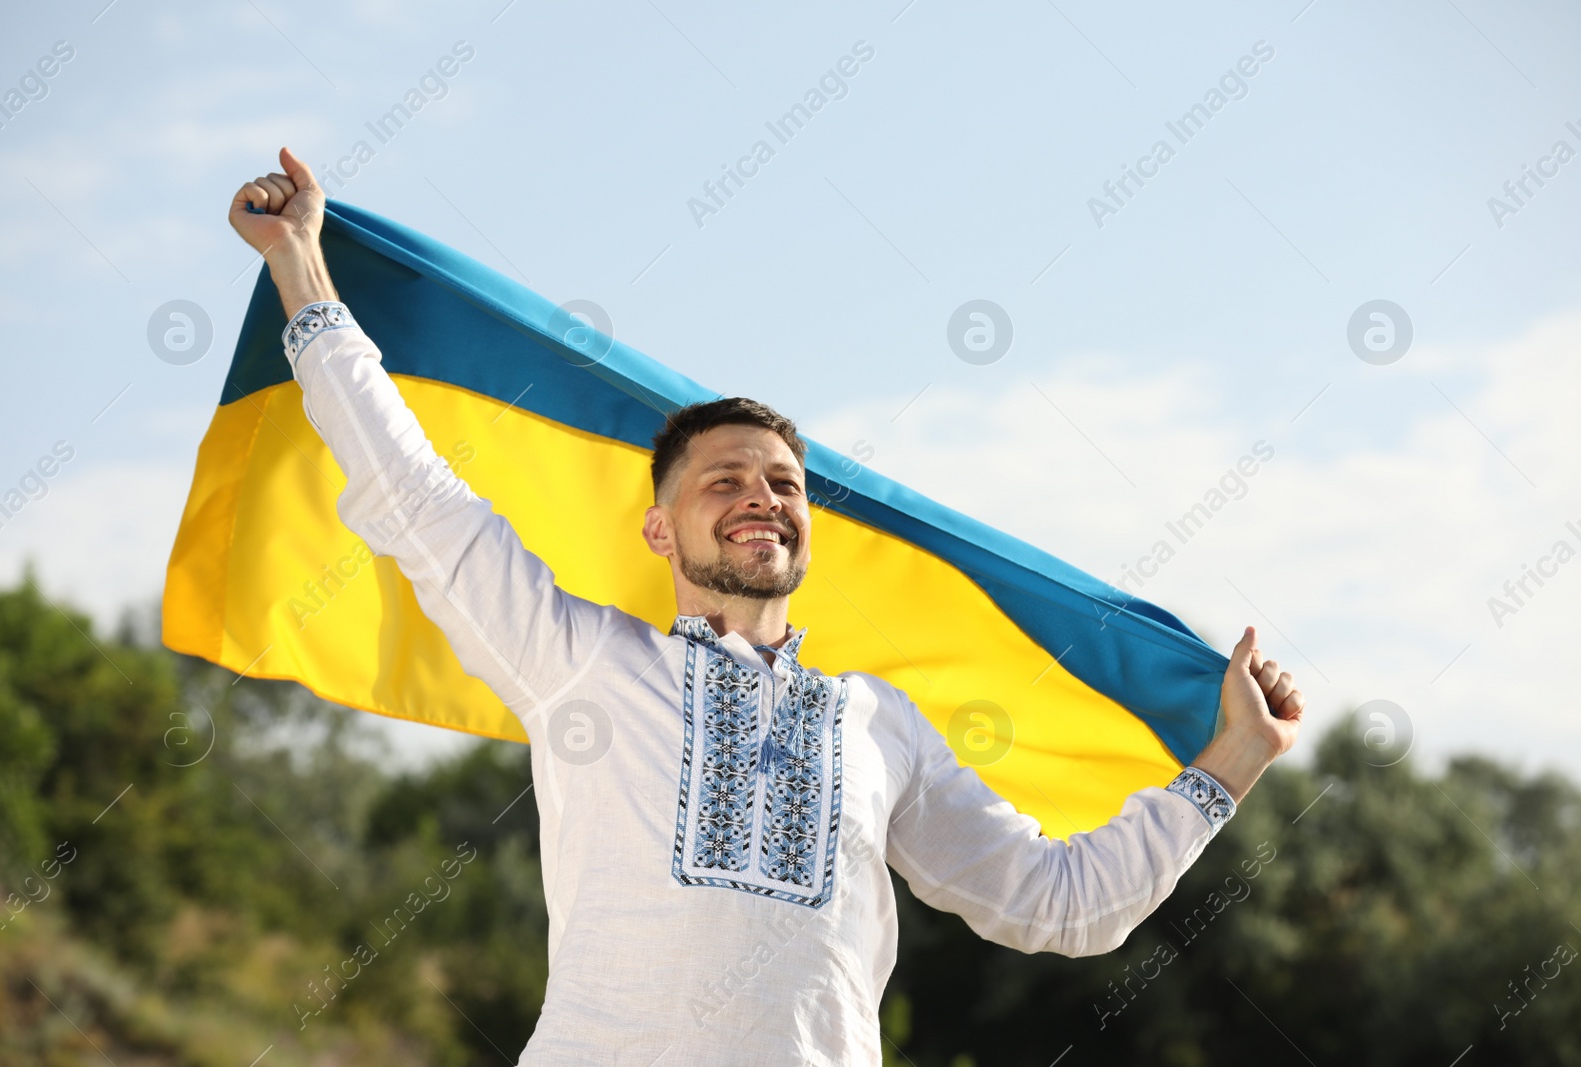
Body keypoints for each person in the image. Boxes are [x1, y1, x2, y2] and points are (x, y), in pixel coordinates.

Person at [229, 147, 1305, 1065]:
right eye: (725, 480)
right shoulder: (578, 660)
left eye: (783, 484)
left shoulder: (880, 724)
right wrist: (303, 268)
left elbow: (1056, 903)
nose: (761, 498)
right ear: (660, 530)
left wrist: (1232, 760)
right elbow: (415, 492)